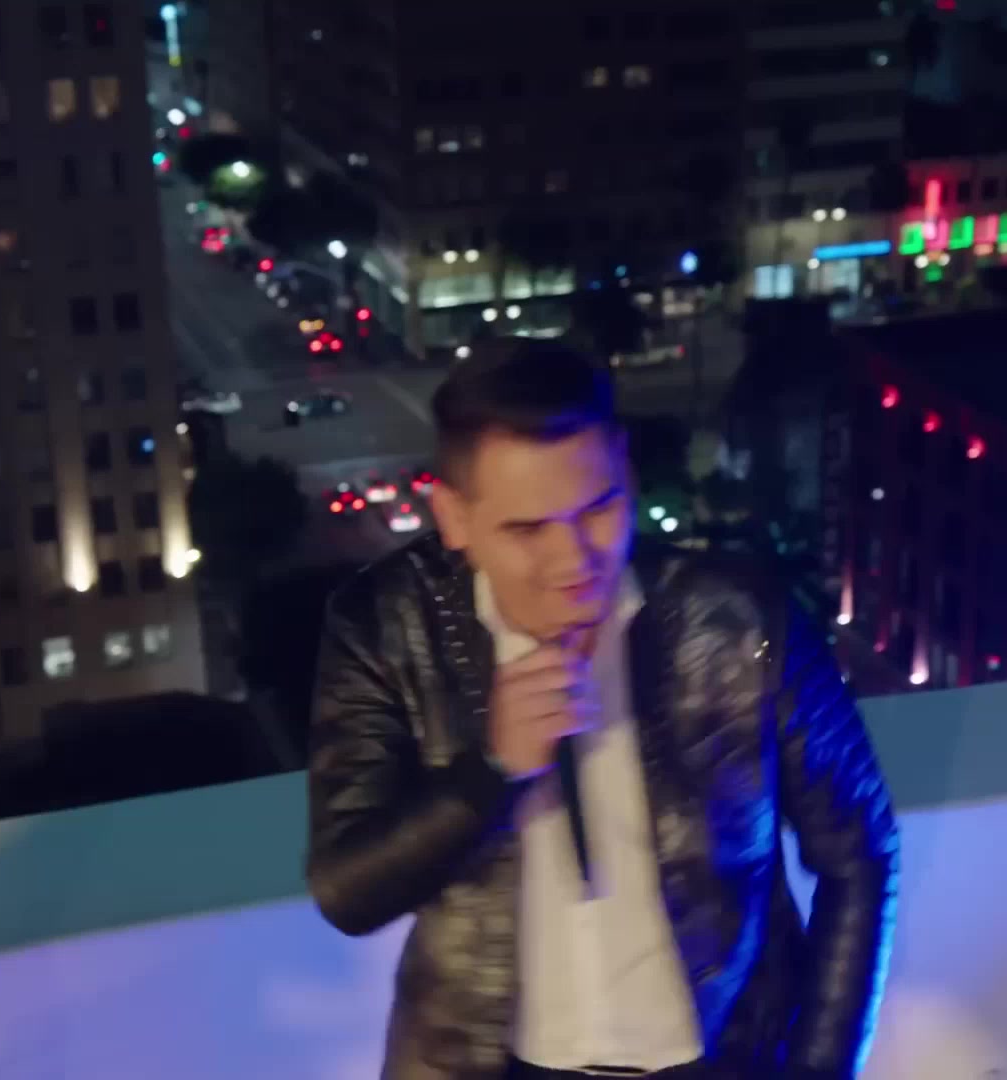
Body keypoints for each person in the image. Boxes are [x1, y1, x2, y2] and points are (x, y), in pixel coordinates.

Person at [305, 339, 898, 1080]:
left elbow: (861, 855)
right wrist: (488, 772)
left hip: (722, 1058)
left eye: (598, 508)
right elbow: (349, 892)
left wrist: (819, 1071)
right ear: (453, 517)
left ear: (625, 470)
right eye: (527, 529)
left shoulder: (741, 617)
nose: (573, 560)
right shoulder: (387, 626)